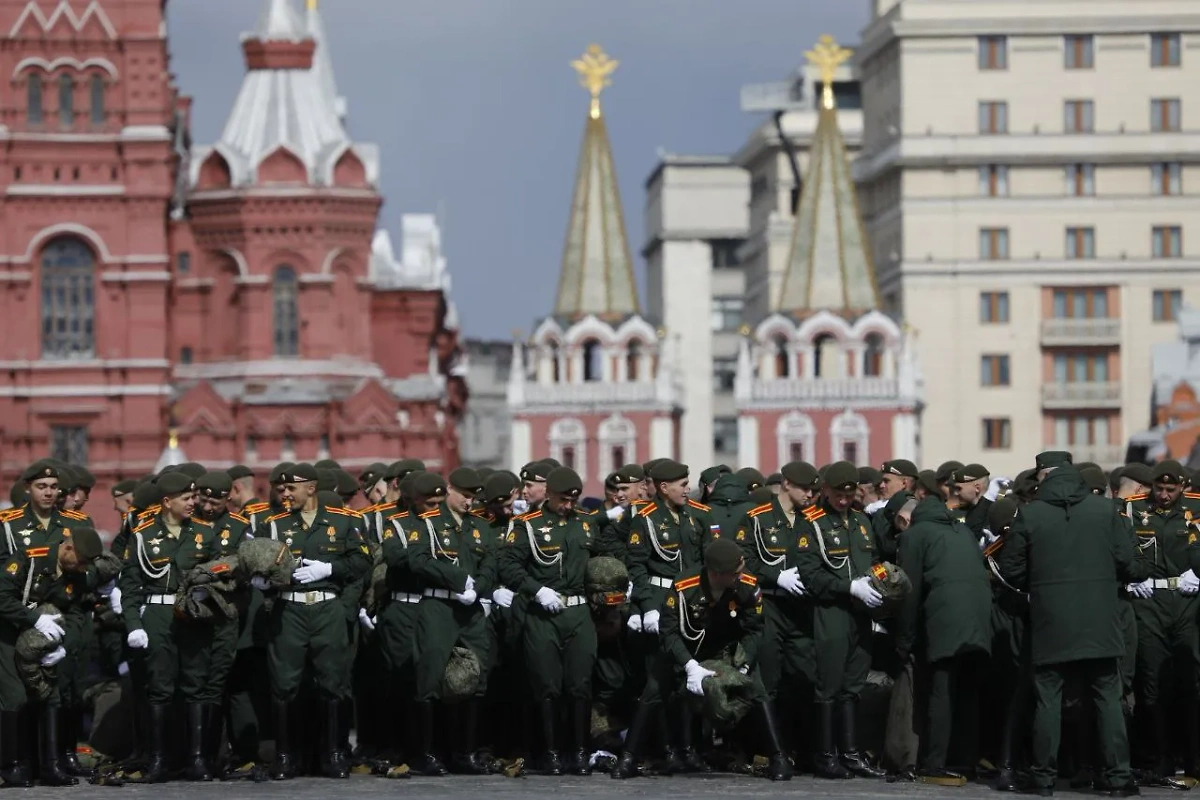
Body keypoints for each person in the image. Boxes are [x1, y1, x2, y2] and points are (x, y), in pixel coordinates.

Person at [998, 459, 1147, 797]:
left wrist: (1040, 584)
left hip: (1051, 620)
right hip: (1101, 619)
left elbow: (1010, 568)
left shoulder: (1031, 514)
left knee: (1047, 699)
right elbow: (1127, 563)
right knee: (1107, 697)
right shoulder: (1105, 511)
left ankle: (1043, 779)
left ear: (1044, 480)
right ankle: (1118, 777)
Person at [259, 463, 370, 780]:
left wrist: (329, 569)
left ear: (311, 488)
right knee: (284, 684)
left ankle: (332, 754)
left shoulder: (346, 521)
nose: (284, 494)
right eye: (281, 489)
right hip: (289, 609)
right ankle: (285, 756)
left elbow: (362, 560)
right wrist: (261, 581)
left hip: (327, 608)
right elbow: (258, 562)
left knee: (331, 682)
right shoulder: (274, 525)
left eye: (290, 488)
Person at [501, 467, 597, 776]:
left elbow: (603, 557)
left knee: (580, 684)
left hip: (579, 612)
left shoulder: (585, 524)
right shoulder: (527, 525)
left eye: (573, 500)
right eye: (562, 500)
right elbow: (509, 565)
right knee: (547, 685)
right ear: (549, 495)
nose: (568, 506)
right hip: (544, 612)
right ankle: (551, 752)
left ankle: (579, 751)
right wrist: (536, 590)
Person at [895, 493, 992, 784]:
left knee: (941, 690)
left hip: (946, 621)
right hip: (979, 620)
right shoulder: (961, 530)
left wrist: (904, 639)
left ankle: (935, 762)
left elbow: (908, 592)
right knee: (968, 693)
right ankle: (966, 759)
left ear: (908, 518)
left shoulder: (915, 535)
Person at [0, 526, 105, 786]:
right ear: (67, 548)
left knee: (50, 694)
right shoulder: (29, 559)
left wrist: (60, 646)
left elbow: (71, 612)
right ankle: (11, 765)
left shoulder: (75, 573)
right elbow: (1, 597)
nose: (82, 568)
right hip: (7, 630)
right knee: (15, 695)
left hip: (40, 638)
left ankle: (48, 765)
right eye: (81, 561)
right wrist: (34, 618)